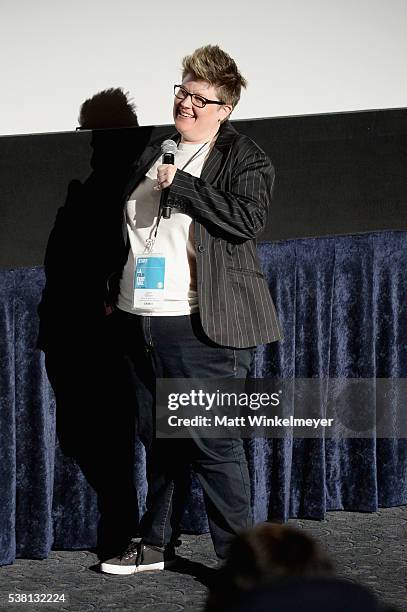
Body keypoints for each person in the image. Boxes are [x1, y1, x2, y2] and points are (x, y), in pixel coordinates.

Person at [99, 44, 282, 575]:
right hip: (143, 318)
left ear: (225, 109)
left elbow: (246, 220)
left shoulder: (244, 158)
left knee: (212, 445)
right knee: (159, 439)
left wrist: (185, 185)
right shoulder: (156, 150)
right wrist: (115, 291)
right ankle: (153, 543)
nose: (189, 105)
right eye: (184, 92)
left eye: (203, 99)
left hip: (203, 326)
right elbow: (132, 228)